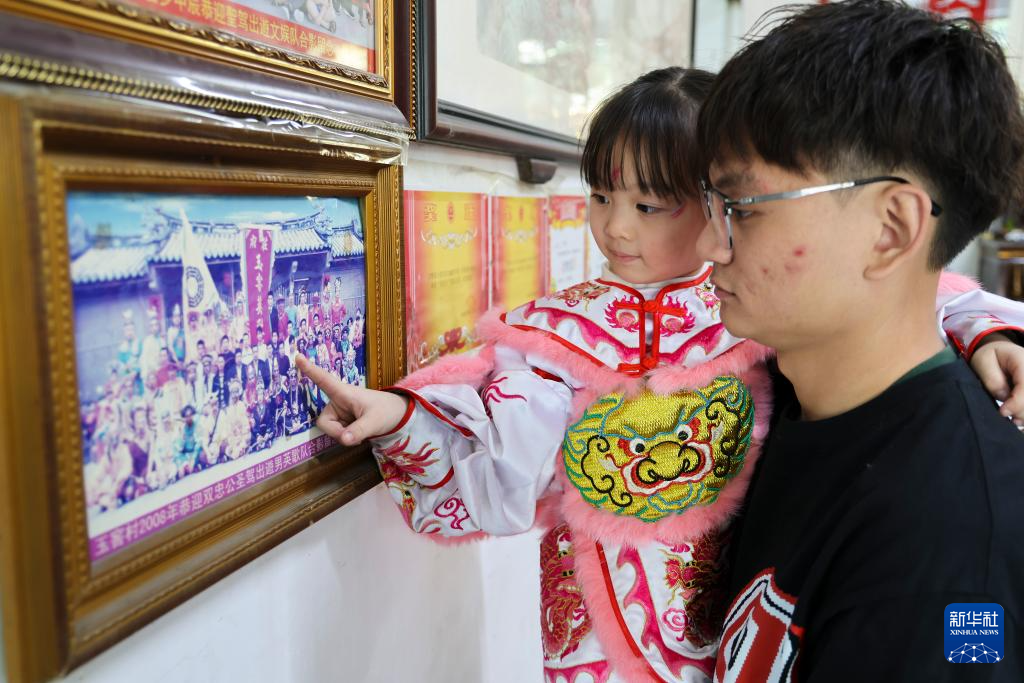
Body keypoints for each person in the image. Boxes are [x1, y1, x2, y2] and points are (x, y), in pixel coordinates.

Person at [298, 67, 1024, 682]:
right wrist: (401, 417)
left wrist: (987, 332)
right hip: (595, 605)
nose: (617, 228)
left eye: (649, 205)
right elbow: (496, 442)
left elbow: (925, 298)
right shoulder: (554, 332)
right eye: (602, 197)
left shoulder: (766, 302)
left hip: (737, 583)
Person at [692, 2, 1024, 680]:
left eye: (743, 209)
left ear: (890, 230)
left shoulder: (961, 546)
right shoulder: (775, 399)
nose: (707, 244)